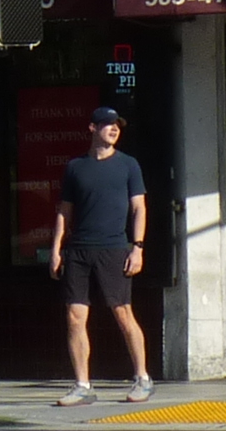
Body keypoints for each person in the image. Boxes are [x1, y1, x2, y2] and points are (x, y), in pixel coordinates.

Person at [48, 106, 150, 403]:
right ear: (92, 128)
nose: (114, 129)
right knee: (75, 316)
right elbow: (64, 212)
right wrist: (56, 250)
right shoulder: (75, 167)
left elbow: (139, 208)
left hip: (114, 247)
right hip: (79, 249)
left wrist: (138, 247)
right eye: (107, 124)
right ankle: (82, 385)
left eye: (117, 125)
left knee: (123, 313)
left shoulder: (128, 165)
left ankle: (143, 378)